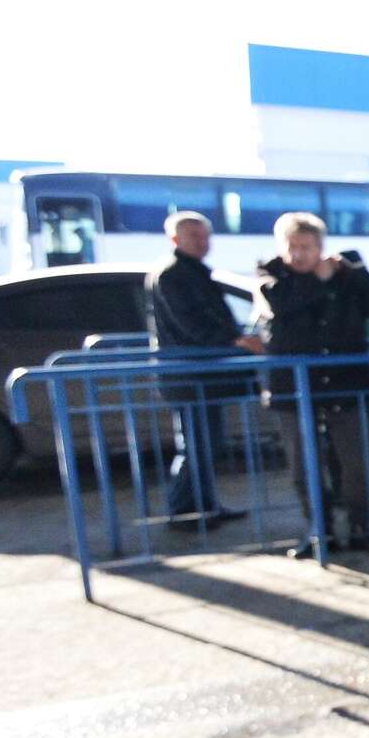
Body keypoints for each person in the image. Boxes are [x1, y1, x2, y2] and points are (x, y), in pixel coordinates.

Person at [256, 212, 369, 557]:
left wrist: (354, 273)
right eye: (293, 247)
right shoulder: (270, 276)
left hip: (344, 385)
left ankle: (362, 528)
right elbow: (280, 307)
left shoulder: (344, 275)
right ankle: (320, 532)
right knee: (305, 468)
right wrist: (316, 282)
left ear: (321, 247)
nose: (299, 254)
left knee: (355, 463)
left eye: (307, 247)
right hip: (295, 389)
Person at [146, 210, 262, 529]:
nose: (202, 243)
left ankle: (203, 506)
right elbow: (192, 324)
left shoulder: (188, 271)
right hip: (189, 375)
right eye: (194, 237)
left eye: (205, 236)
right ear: (175, 239)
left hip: (197, 375)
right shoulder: (173, 274)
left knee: (204, 445)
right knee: (199, 445)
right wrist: (235, 341)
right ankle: (185, 512)